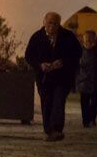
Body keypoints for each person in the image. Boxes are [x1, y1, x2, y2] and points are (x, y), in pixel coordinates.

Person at [24, 12, 82, 141]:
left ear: (59, 24)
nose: (52, 26)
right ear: (44, 22)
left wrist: (63, 62)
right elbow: (29, 55)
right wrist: (40, 65)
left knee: (58, 100)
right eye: (50, 22)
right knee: (46, 102)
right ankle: (49, 129)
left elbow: (77, 53)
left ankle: (56, 129)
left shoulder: (68, 37)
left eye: (55, 23)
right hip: (44, 78)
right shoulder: (37, 37)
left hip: (62, 77)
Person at [76, 30, 97, 128]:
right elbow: (76, 65)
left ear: (94, 39)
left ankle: (92, 119)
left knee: (95, 102)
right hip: (84, 80)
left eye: (90, 38)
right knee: (84, 102)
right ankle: (86, 120)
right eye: (86, 38)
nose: (88, 40)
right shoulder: (79, 51)